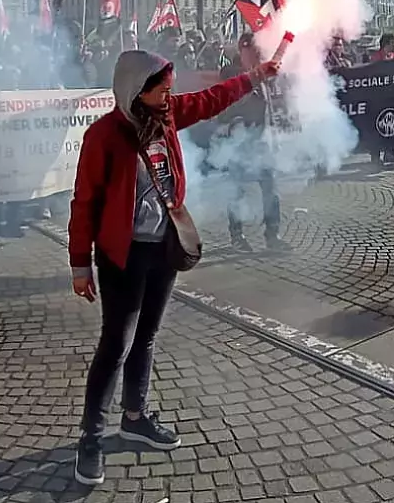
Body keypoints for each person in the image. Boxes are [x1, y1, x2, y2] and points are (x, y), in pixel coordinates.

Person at [68, 49, 278, 486]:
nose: (170, 91)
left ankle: (134, 416)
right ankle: (91, 437)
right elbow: (84, 203)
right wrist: (79, 264)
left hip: (162, 246)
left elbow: (211, 99)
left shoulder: (166, 116)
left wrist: (254, 76)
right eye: (161, 86)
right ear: (135, 91)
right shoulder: (103, 136)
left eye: (168, 85)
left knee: (146, 337)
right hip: (122, 253)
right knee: (116, 343)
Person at [218, 34, 287, 253]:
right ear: (241, 51)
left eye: (256, 50)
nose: (254, 54)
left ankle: (272, 234)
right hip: (239, 144)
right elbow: (224, 109)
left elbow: (271, 106)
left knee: (271, 191)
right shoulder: (231, 73)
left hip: (262, 142)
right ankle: (237, 236)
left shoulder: (265, 73)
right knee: (236, 192)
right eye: (249, 50)